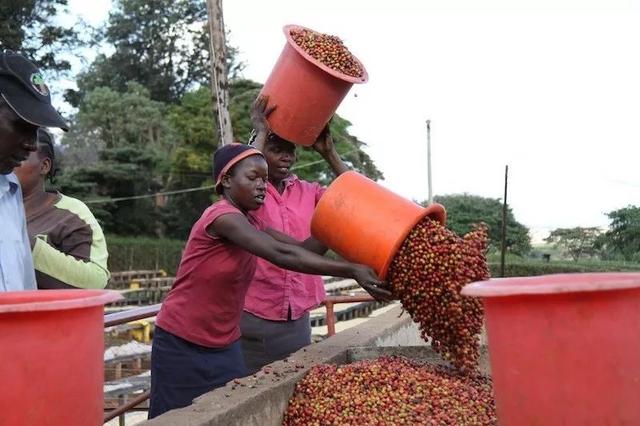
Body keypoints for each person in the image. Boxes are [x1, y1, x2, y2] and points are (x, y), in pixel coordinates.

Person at [148, 143, 390, 419]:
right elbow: (281, 254)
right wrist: (351, 270)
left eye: (264, 179)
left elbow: (301, 250)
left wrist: (336, 224)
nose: (262, 185)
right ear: (226, 180)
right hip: (183, 340)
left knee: (231, 413)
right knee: (174, 418)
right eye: (253, 178)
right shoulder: (222, 217)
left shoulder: (252, 222)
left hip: (224, 344)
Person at [240, 96, 349, 373]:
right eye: (277, 149)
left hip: (296, 316)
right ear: (262, 152)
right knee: (245, 393)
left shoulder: (309, 191)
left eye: (291, 150)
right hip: (252, 314)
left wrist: (330, 153)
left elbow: (355, 197)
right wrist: (261, 132)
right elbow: (242, 169)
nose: (287, 156)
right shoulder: (248, 195)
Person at [0, 51, 68, 291]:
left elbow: (25, 289)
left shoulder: (10, 189)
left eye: (36, 130)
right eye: (21, 127)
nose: (31, 144)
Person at [14, 128, 109, 289]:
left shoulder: (72, 214)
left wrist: (23, 244)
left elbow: (96, 280)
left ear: (44, 166)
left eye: (19, 156)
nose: (8, 163)